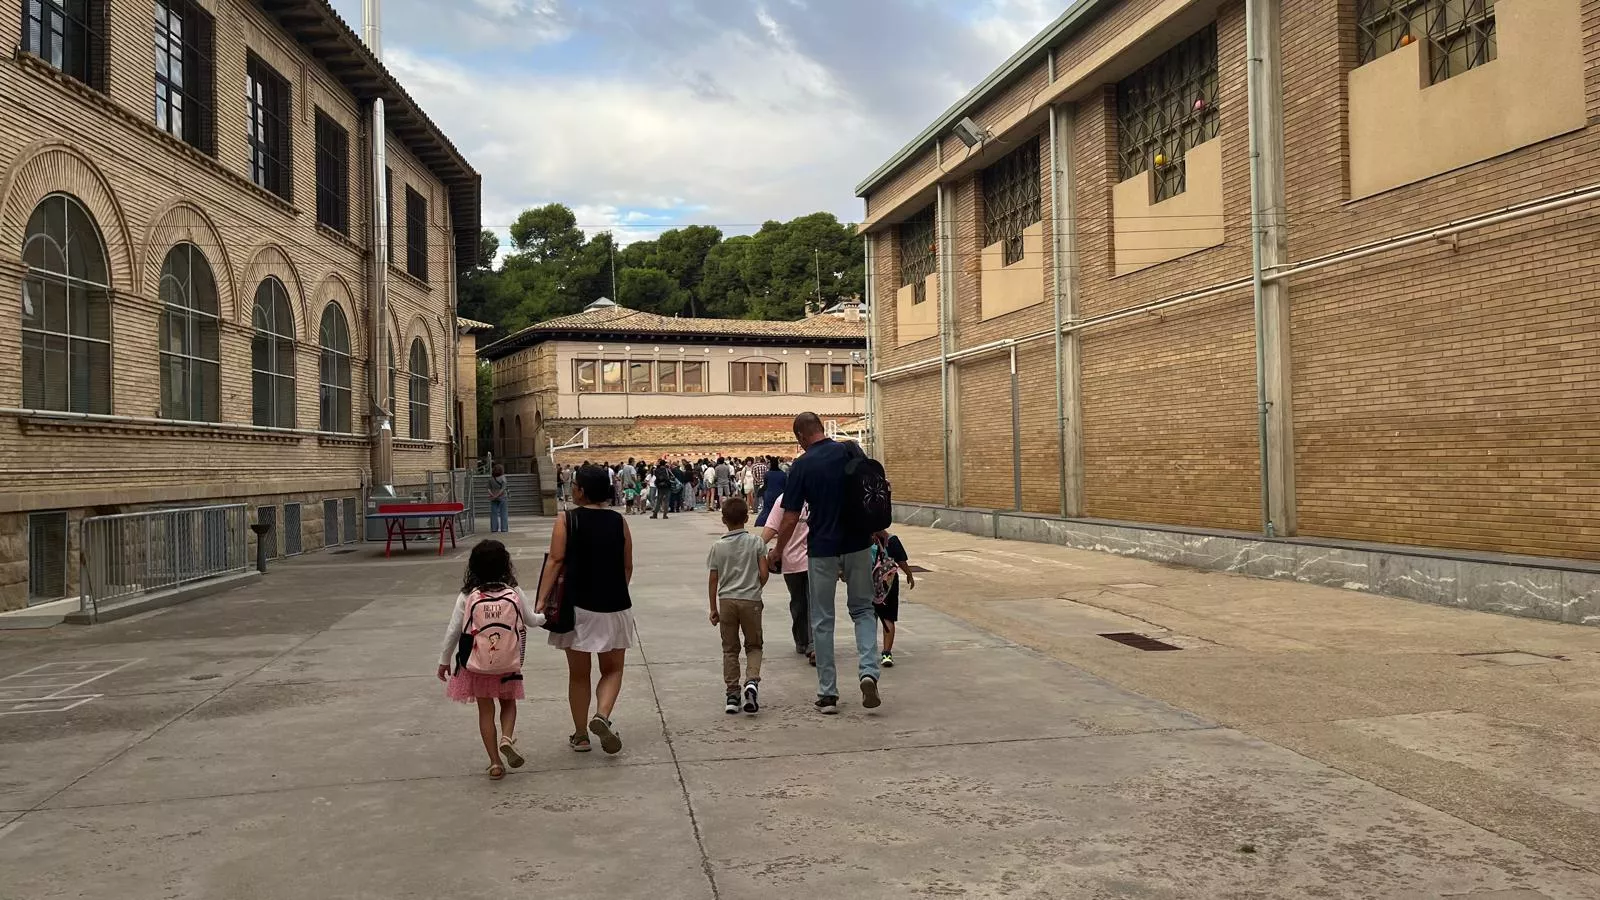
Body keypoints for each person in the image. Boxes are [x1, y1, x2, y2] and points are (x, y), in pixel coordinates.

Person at [769, 413, 880, 715]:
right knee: (862, 610)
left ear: (801, 437)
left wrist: (777, 550)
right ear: (820, 429)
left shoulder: (802, 465)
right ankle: (869, 671)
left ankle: (828, 694)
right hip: (858, 543)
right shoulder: (850, 450)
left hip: (822, 548)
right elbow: (869, 491)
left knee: (822, 619)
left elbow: (790, 517)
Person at [535, 464, 634, 755]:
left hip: (578, 607)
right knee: (612, 669)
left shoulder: (566, 520)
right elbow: (627, 565)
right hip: (615, 605)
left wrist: (541, 601)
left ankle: (580, 735)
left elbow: (555, 560)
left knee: (579, 675)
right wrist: (617, 588)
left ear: (580, 490)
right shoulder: (620, 522)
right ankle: (602, 715)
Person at [437, 540, 543, 779]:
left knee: (486, 712)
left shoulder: (467, 596)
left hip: (478, 664)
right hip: (508, 663)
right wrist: (547, 615)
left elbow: (454, 631)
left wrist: (444, 661)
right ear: (506, 564)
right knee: (508, 703)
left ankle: (495, 763)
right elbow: (531, 620)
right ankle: (507, 737)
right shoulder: (513, 591)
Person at [707, 498, 769, 715]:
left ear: (724, 520)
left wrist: (713, 607)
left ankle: (732, 694)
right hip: (750, 599)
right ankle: (751, 681)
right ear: (746, 518)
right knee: (754, 645)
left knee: (730, 648)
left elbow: (713, 579)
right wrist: (755, 587)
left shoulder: (717, 546)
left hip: (726, 601)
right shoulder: (756, 542)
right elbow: (764, 573)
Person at [761, 491, 812, 663]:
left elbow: (772, 528)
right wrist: (756, 547)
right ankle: (805, 641)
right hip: (797, 561)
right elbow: (772, 527)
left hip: (810, 559)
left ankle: (811, 644)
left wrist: (775, 550)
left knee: (807, 603)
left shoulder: (786, 498)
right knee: (803, 603)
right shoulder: (784, 499)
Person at [872, 531, 914, 668]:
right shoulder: (891, 539)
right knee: (888, 618)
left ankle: (868, 652)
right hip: (888, 584)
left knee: (867, 617)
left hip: (867, 582)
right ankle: (886, 653)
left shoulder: (862, 538)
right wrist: (909, 574)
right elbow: (901, 561)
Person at [757, 456, 786, 528]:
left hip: (769, 494)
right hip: (780, 494)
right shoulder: (783, 474)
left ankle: (768, 526)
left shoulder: (767, 474)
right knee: (779, 512)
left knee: (768, 511)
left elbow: (765, 485)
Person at [487, 463, 509, 533]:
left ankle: (494, 528)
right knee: (503, 513)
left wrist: (493, 495)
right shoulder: (503, 478)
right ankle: (504, 528)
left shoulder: (491, 479)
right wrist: (497, 495)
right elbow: (503, 489)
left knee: (494, 513)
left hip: (493, 497)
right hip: (502, 497)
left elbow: (488, 489)